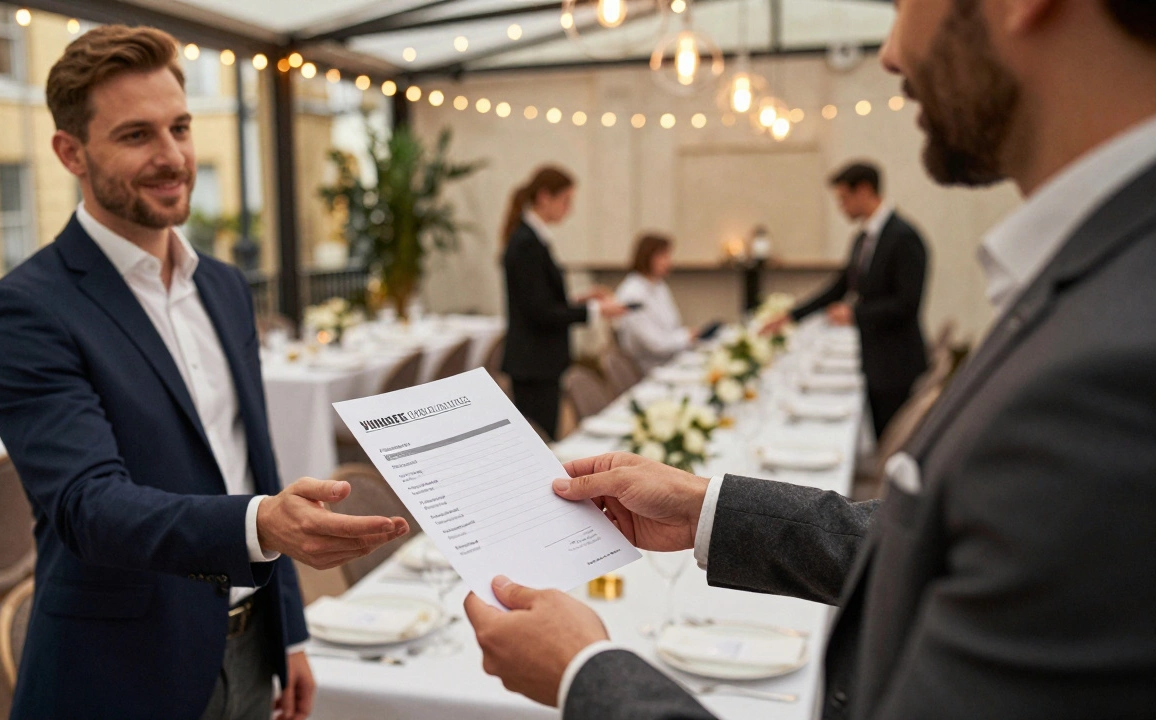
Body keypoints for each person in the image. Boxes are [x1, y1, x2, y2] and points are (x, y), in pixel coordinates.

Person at [465, 0, 1156, 718]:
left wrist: (588, 675)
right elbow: (950, 549)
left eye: (901, 4)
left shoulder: (1115, 370)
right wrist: (709, 509)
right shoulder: (1106, 276)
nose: (889, 52)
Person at [0, 26, 410, 720]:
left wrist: (289, 631)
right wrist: (264, 524)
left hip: (247, 644)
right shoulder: (24, 311)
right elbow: (90, 505)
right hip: (121, 669)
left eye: (180, 127)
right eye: (137, 135)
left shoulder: (226, 288)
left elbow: (251, 464)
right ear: (70, 152)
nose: (173, 156)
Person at [773, 162, 929, 437]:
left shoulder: (903, 237)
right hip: (874, 357)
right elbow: (840, 286)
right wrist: (791, 315)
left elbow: (907, 304)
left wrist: (855, 315)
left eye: (844, 199)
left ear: (865, 191)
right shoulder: (863, 237)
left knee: (892, 441)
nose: (841, 207)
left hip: (896, 362)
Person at [501, 165, 626, 439]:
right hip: (533, 362)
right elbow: (538, 311)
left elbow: (539, 298)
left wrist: (580, 299)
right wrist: (595, 309)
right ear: (545, 197)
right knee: (539, 438)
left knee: (545, 433)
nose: (569, 209)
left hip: (540, 360)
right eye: (566, 201)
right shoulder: (526, 242)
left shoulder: (535, 239)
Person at [613, 234, 695, 373]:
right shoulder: (632, 294)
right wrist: (687, 336)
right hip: (647, 369)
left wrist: (688, 335)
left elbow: (673, 325)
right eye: (663, 256)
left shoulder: (659, 286)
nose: (668, 262)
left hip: (669, 361)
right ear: (647, 257)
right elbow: (654, 344)